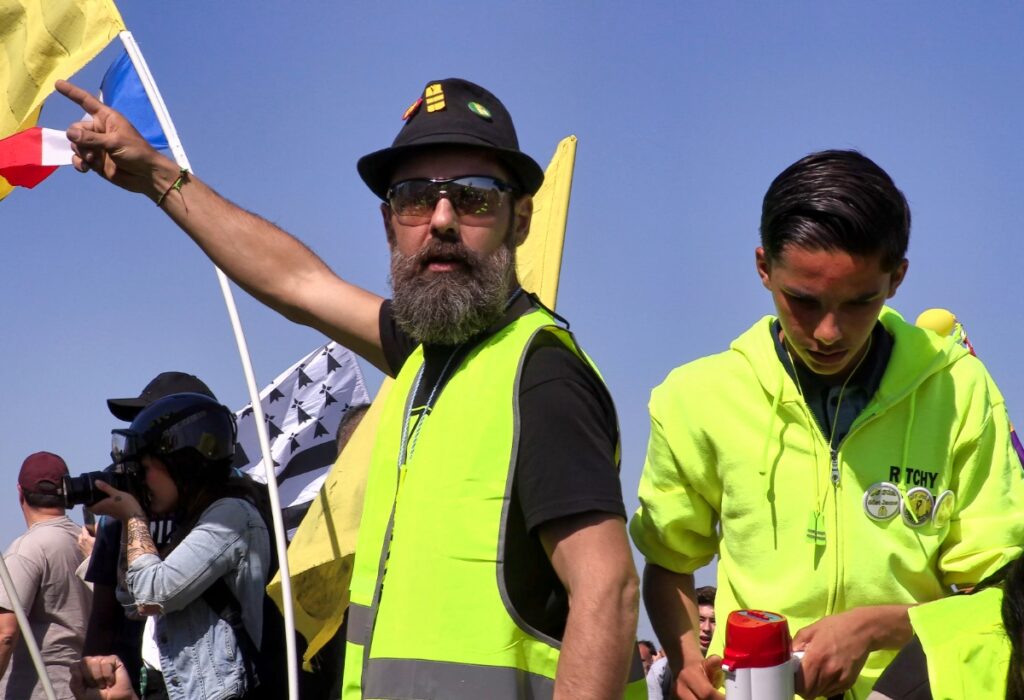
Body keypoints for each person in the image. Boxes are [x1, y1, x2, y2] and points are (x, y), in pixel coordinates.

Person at [56, 75, 644, 699]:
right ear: (391, 223)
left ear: (519, 219)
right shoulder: (428, 357)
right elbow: (297, 284)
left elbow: (608, 592)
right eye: (416, 197)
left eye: (473, 197)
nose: (441, 219)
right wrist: (157, 177)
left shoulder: (541, 374)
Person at [629, 149, 1024, 700]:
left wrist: (877, 627)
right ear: (764, 267)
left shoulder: (960, 390)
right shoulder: (697, 398)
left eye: (859, 302)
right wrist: (686, 659)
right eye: (804, 301)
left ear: (897, 278)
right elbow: (669, 559)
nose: (829, 332)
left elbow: (1004, 594)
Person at [89, 393, 271, 699]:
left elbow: (152, 594)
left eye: (145, 469)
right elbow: (132, 601)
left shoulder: (229, 516)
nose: (140, 481)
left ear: (181, 463)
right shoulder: (192, 519)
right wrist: (128, 521)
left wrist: (133, 516)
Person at [83, 371, 217, 695]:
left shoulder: (229, 508)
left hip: (210, 682)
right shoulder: (122, 506)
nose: (134, 442)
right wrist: (91, 672)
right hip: (138, 681)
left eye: (147, 427)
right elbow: (106, 607)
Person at [0, 452, 92, 699]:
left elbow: (4, 634)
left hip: (39, 690)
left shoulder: (26, 550)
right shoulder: (88, 542)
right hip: (81, 687)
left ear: (20, 492)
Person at [695, 586, 716, 656]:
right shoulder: (663, 665)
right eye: (700, 620)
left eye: (714, 621)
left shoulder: (739, 666)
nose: (706, 628)